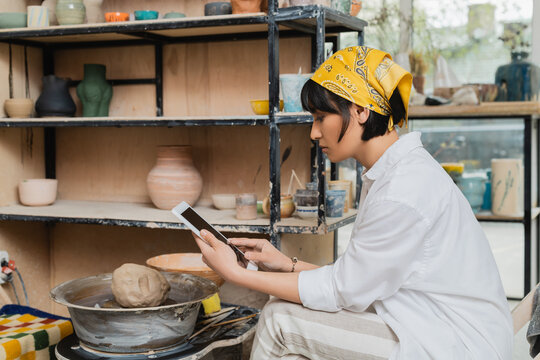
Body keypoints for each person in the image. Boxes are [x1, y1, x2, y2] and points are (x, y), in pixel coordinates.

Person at [193, 46, 513, 359]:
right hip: (427, 323)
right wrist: (286, 264)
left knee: (281, 320)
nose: (314, 133)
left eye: (321, 117)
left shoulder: (403, 190)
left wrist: (236, 275)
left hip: (456, 343)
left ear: (361, 110)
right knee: (288, 320)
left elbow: (342, 290)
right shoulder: (390, 172)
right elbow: (359, 279)